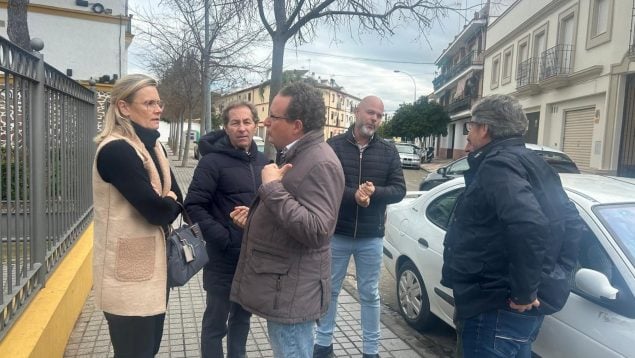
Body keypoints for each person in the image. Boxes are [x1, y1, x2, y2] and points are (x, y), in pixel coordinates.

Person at [441, 94, 583, 357]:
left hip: (494, 308)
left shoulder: (498, 164)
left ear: (485, 128)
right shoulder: (536, 162)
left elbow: (529, 225)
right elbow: (572, 223)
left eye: (469, 126)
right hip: (514, 311)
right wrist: (555, 275)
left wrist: (525, 292)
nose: (467, 134)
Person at [229, 82, 345, 358]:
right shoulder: (299, 154)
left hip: (292, 293)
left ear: (297, 125)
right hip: (286, 287)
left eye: (274, 116)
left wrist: (271, 189)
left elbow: (318, 230)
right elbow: (294, 211)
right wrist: (259, 218)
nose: (266, 122)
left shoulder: (320, 162)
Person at [92, 74, 183, 357]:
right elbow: (157, 212)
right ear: (124, 108)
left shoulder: (154, 146)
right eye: (149, 103)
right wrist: (168, 202)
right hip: (127, 277)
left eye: (159, 102)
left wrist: (169, 201)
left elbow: (177, 198)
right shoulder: (116, 150)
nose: (158, 109)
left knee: (149, 349)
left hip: (153, 272)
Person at [314, 96, 406, 358]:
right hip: (337, 233)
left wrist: (374, 192)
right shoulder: (333, 146)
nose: (374, 119)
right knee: (329, 289)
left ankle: (371, 350)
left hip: (371, 236)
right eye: (370, 112)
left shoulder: (389, 151)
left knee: (370, 294)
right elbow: (324, 184)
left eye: (379, 115)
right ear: (357, 112)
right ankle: (323, 344)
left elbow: (399, 190)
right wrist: (353, 195)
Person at [184, 101, 267, 358]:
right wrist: (225, 237)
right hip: (223, 258)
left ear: (255, 125)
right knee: (215, 325)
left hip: (251, 259)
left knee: (241, 323)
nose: (242, 128)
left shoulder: (265, 163)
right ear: (226, 127)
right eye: (235, 122)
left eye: (246, 122)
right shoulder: (212, 162)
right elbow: (193, 207)